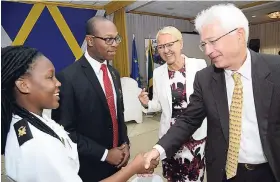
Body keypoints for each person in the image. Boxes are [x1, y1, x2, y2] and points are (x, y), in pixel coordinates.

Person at [144, 3, 280, 182]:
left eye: (213, 41)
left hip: (269, 171)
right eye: (204, 44)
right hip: (224, 172)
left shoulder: (275, 70)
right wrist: (158, 149)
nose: (207, 51)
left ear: (239, 35)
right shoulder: (205, 78)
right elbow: (189, 119)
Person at [1, 45, 158, 182]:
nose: (58, 83)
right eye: (50, 77)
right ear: (23, 85)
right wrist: (132, 168)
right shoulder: (39, 145)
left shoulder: (31, 122)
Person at [51, 16, 130, 181]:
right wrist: (105, 154)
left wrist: (125, 144)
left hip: (118, 162)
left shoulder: (114, 74)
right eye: (108, 39)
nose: (115, 44)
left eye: (116, 38)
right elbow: (65, 132)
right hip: (89, 167)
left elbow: (118, 115)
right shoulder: (68, 78)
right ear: (90, 40)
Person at [138, 26, 207, 182]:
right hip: (170, 138)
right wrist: (147, 103)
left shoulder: (199, 65)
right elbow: (159, 105)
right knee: (172, 177)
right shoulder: (158, 73)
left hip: (195, 138)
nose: (166, 50)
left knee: (194, 178)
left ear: (180, 44)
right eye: (161, 46)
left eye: (170, 44)